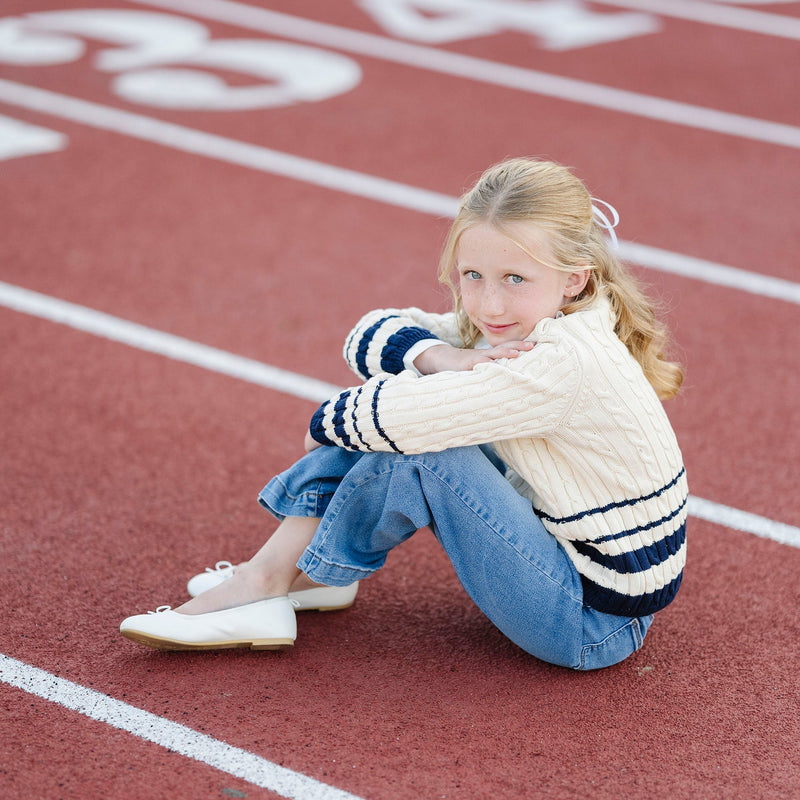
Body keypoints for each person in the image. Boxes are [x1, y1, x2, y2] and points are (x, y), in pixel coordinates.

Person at [120, 157, 687, 670]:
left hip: (594, 623)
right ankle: (298, 578)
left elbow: (351, 420)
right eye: (473, 276)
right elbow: (367, 331)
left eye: (515, 278)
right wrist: (439, 356)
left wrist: (411, 384)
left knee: (420, 450)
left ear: (573, 277)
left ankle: (264, 581)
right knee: (414, 413)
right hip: (587, 578)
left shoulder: (557, 361)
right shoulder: (534, 319)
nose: (489, 303)